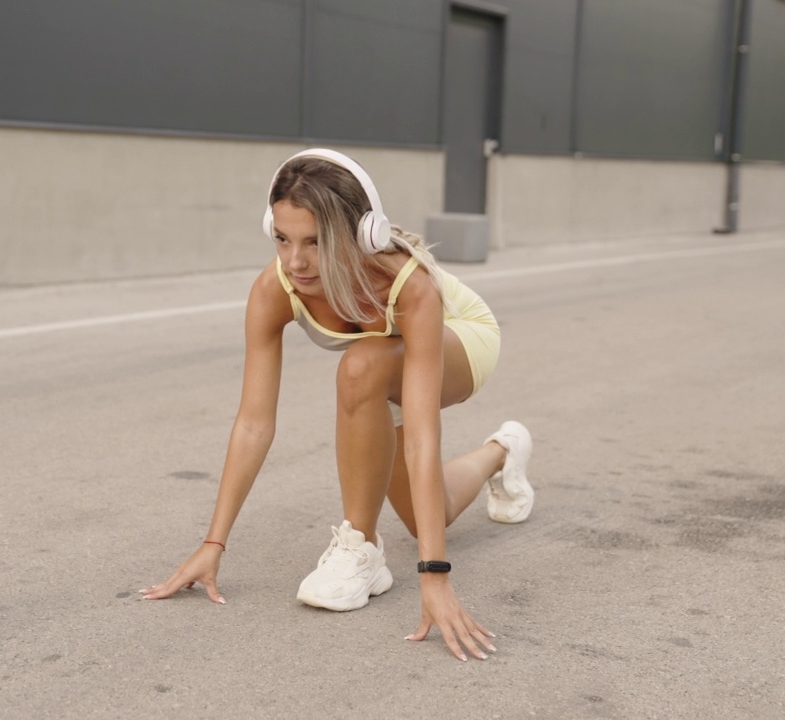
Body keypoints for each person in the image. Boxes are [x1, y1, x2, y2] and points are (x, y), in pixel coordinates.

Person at [140, 148, 534, 661]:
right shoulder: (275, 287)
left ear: (359, 235)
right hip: (380, 366)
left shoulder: (408, 287)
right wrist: (213, 544)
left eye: (314, 242)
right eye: (282, 239)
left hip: (461, 340)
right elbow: (255, 423)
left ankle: (361, 549)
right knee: (423, 516)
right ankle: (502, 452)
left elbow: (419, 433)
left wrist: (434, 576)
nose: (295, 261)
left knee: (361, 365)